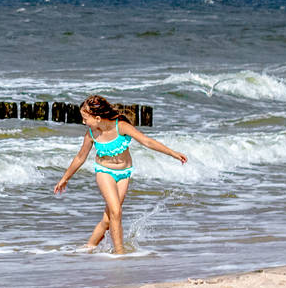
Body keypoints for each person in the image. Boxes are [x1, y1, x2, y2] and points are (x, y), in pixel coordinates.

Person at [51, 95, 189, 254]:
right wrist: (64, 178)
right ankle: (119, 252)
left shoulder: (121, 127)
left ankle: (90, 246)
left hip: (124, 173)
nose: (83, 122)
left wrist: (172, 153)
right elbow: (80, 157)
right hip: (105, 172)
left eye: (85, 118)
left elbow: (147, 141)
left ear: (97, 118)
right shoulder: (91, 133)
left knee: (108, 219)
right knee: (116, 212)